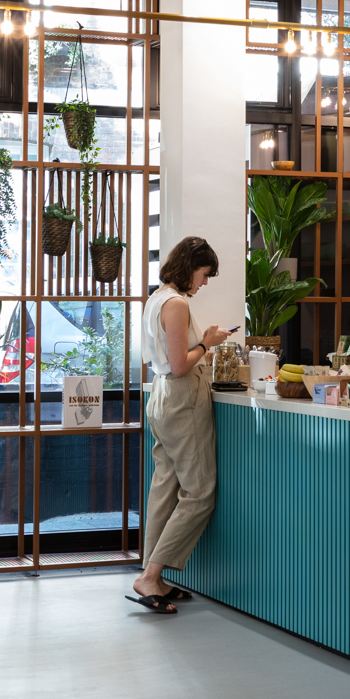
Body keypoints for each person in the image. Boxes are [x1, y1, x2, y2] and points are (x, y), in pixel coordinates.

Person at [133, 236, 232, 614]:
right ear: (190, 267)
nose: (204, 282)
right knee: (200, 492)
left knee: (166, 485)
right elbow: (179, 365)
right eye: (204, 274)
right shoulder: (176, 304)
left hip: (162, 397)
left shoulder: (156, 299)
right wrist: (208, 342)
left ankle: (152, 577)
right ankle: (151, 575)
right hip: (182, 397)